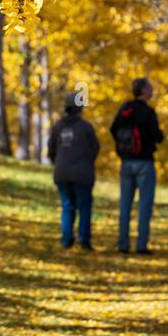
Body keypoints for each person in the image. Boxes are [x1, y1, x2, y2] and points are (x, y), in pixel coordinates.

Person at [111, 77, 163, 255]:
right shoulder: (147, 112)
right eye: (149, 88)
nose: (152, 91)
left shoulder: (125, 109)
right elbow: (158, 137)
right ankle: (141, 245)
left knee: (125, 205)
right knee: (144, 206)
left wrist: (123, 146)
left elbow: (113, 129)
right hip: (145, 162)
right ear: (143, 91)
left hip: (126, 162)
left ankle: (123, 245)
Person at [47, 91, 100, 250]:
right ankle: (83, 238)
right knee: (84, 205)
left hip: (62, 172)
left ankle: (66, 239)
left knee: (67, 205)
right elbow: (95, 148)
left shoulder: (58, 127)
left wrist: (58, 162)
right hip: (82, 173)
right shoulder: (85, 127)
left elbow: (51, 149)